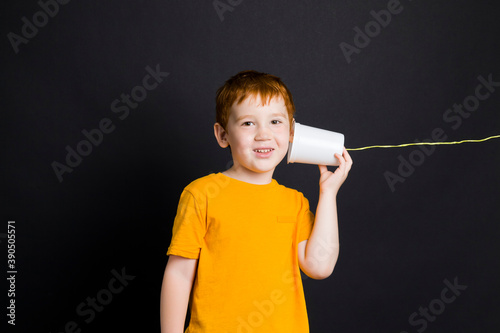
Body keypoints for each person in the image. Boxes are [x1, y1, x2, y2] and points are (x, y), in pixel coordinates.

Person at [160, 70, 353, 333]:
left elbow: (319, 266)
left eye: (275, 122)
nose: (264, 134)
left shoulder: (294, 202)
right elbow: (180, 274)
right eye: (248, 123)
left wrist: (329, 194)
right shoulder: (202, 194)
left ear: (292, 132)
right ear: (222, 135)